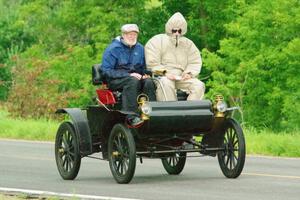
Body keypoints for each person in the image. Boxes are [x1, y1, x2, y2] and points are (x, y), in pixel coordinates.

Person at [101, 24, 156, 126]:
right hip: (115, 80)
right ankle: (131, 117)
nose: (132, 36)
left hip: (135, 78)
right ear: (123, 35)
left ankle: (150, 114)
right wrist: (128, 75)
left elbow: (143, 68)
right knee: (132, 81)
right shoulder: (112, 49)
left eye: (134, 34)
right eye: (129, 34)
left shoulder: (140, 48)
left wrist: (145, 74)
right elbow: (106, 71)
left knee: (149, 82)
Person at [145, 12, 205, 101]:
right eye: (174, 30)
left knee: (199, 85)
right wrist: (166, 73)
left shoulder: (188, 44)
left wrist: (189, 73)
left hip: (181, 77)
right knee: (166, 83)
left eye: (179, 31)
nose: (177, 33)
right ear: (169, 29)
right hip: (162, 76)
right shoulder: (157, 41)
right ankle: (171, 112)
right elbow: (152, 63)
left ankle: (189, 112)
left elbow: (195, 61)